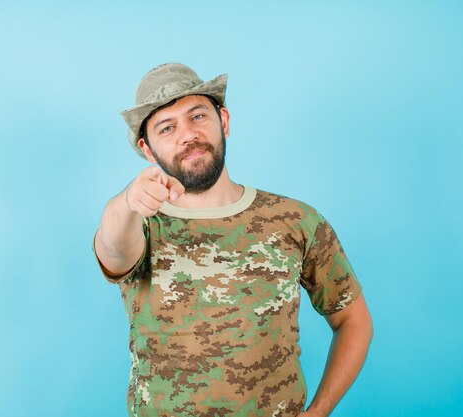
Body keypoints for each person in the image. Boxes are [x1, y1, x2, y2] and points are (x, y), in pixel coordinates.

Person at [93, 63, 373, 417]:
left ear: (223, 121)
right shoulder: (139, 225)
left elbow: (353, 320)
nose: (187, 134)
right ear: (148, 150)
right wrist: (128, 201)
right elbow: (113, 250)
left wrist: (319, 411)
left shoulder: (296, 220)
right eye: (167, 127)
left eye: (197, 116)